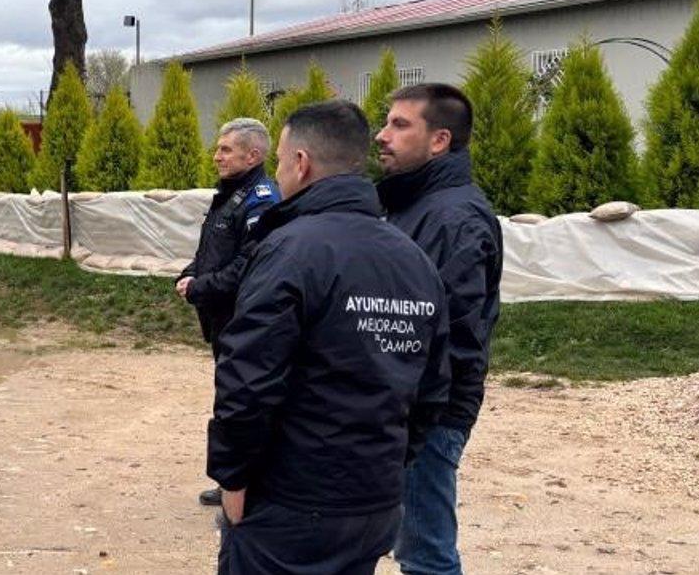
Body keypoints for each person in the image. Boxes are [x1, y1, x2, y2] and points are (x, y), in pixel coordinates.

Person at [209, 100, 450, 575]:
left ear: (301, 163)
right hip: (374, 504)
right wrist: (392, 466)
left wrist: (232, 478)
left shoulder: (290, 249)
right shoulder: (412, 258)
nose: (277, 176)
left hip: (292, 503)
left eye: (278, 161)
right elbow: (433, 385)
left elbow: (247, 380)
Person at [375, 84, 503, 575]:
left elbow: (453, 334)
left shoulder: (454, 218)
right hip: (405, 405)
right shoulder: (412, 204)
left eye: (400, 125)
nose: (382, 136)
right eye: (386, 123)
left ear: (439, 140)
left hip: (428, 411)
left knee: (426, 552)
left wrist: (419, 414)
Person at [175, 117, 279, 507]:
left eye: (225, 149)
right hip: (224, 321)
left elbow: (251, 265)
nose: (216, 156)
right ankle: (236, 482)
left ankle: (242, 486)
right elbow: (215, 252)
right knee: (232, 401)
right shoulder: (232, 194)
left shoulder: (261, 199)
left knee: (242, 405)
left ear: (253, 155)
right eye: (218, 148)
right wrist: (190, 274)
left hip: (245, 322)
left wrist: (201, 287)